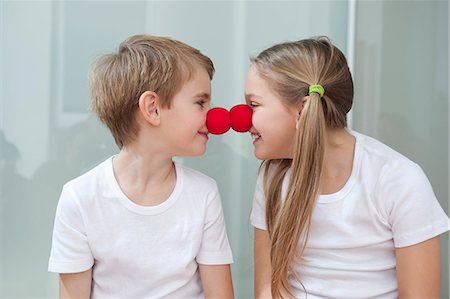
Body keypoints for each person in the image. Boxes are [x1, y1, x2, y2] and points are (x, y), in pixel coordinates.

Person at [247, 37, 450, 298]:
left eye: (253, 105)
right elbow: (267, 289)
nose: (241, 119)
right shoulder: (272, 177)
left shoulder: (398, 179)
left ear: (302, 109)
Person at [48, 34, 234, 298]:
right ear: (153, 108)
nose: (214, 115)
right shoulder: (80, 197)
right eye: (200, 103)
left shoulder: (204, 193)